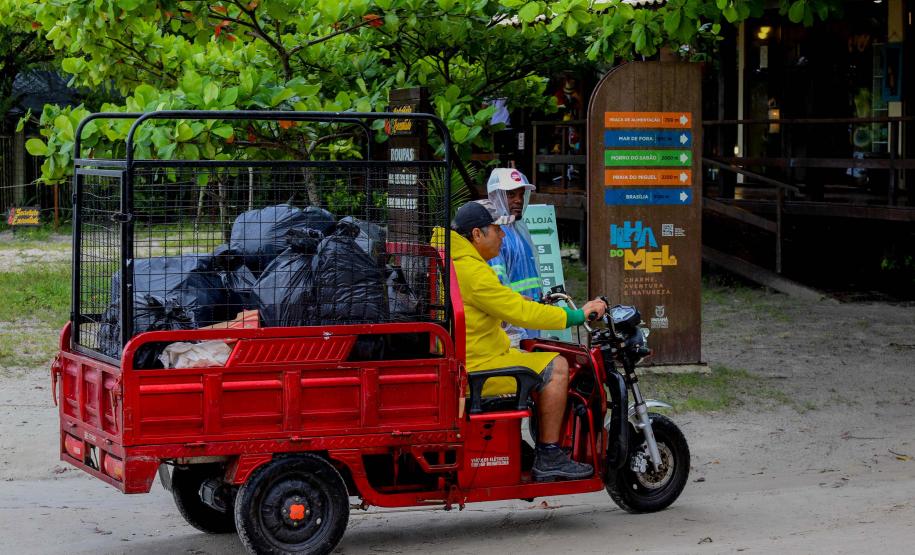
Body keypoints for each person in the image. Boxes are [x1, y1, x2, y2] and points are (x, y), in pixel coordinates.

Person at [435, 200, 608, 481]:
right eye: (496, 230)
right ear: (477, 234)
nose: (503, 236)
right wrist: (577, 315)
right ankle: (550, 455)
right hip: (480, 366)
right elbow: (523, 314)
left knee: (536, 358)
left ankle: (536, 448)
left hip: (469, 356)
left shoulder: (450, 257)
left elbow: (485, 305)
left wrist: (509, 305)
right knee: (557, 367)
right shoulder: (472, 270)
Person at [486, 168, 543, 344]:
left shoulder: (518, 230)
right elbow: (497, 285)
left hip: (528, 318)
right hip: (511, 328)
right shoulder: (495, 236)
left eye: (521, 194)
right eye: (511, 195)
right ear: (496, 197)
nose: (518, 200)